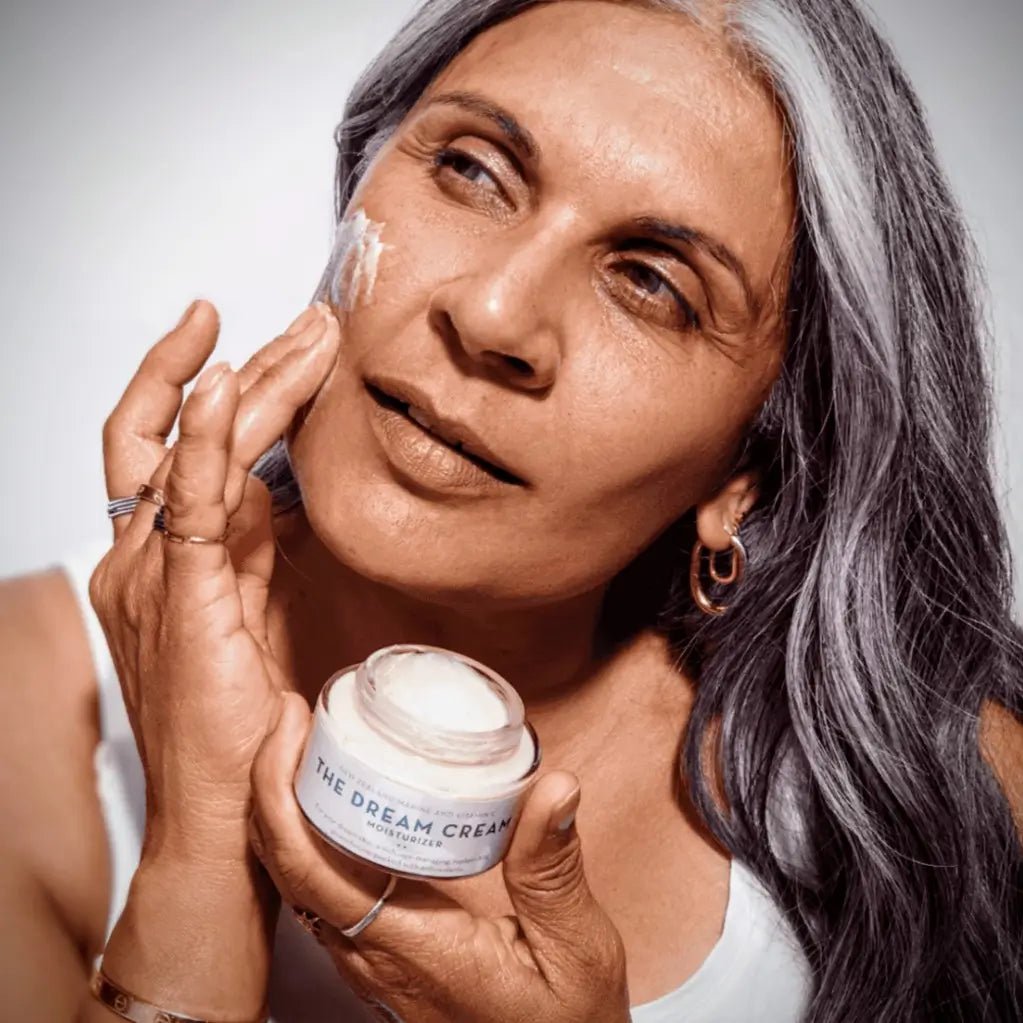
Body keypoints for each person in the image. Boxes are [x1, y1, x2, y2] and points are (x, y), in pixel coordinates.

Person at [1, 0, 1021, 1020]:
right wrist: (196, 864)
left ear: (748, 474)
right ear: (358, 180)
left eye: (651, 283)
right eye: (473, 170)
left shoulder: (955, 801)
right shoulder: (22, 715)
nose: (491, 316)